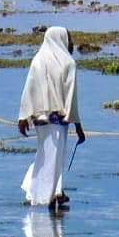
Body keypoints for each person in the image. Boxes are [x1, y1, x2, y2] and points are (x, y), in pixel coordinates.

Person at [17, 26, 85, 209]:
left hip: (39, 120)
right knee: (54, 157)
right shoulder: (68, 63)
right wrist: (78, 126)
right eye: (68, 39)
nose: (71, 43)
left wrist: (23, 117)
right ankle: (42, 196)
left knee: (46, 154)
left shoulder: (38, 60)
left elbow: (29, 90)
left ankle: (54, 191)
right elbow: (71, 99)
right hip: (58, 121)